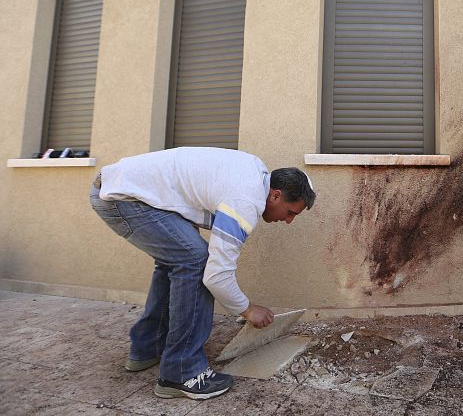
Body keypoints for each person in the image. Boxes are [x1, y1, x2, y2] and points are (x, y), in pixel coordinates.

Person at [88, 147, 315, 400]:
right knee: (196, 260)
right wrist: (248, 309)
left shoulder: (254, 172)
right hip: (123, 198)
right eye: (291, 212)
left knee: (178, 261)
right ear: (275, 195)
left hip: (127, 191)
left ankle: (148, 348)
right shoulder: (246, 200)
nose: (288, 220)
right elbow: (216, 276)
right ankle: (181, 372)